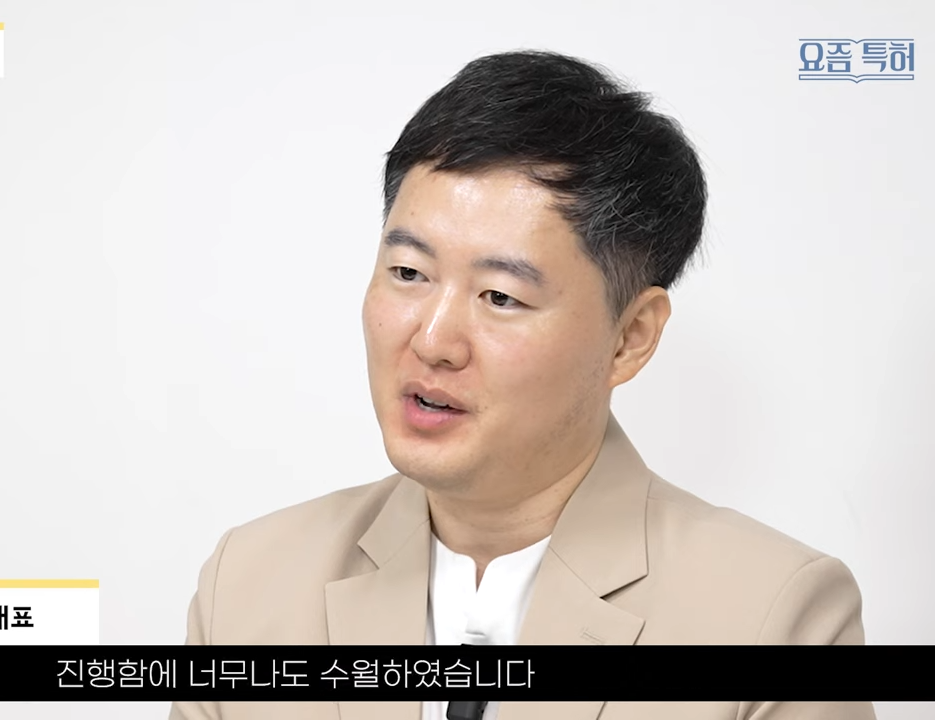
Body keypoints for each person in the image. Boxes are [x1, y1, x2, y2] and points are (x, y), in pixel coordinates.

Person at [169, 50, 873, 720]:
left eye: (501, 296)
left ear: (630, 337)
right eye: (409, 273)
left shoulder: (772, 616)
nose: (432, 341)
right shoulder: (251, 583)